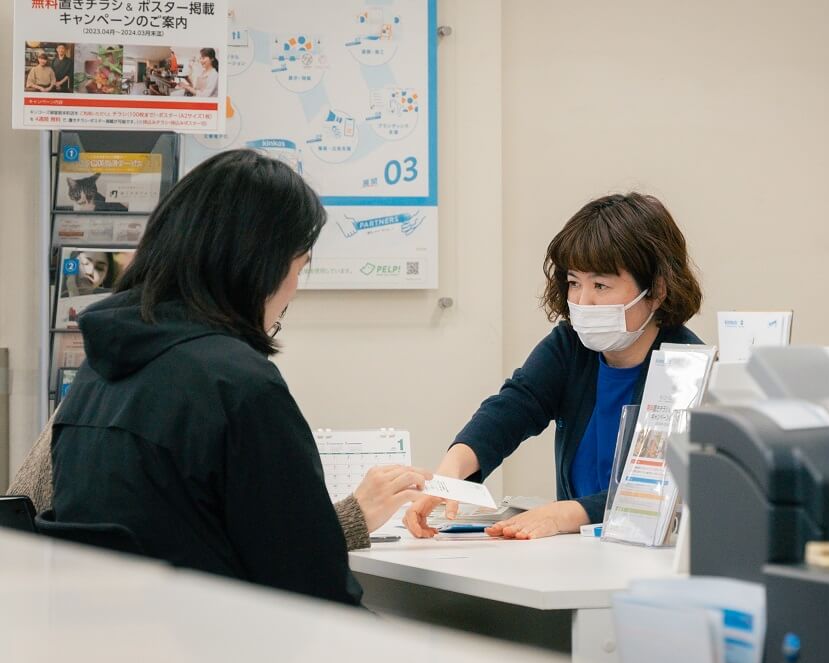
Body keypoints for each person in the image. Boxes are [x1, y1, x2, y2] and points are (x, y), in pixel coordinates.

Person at [50, 149, 429, 606]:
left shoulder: (96, 374)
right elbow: (315, 588)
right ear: (261, 264)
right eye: (299, 268)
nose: (293, 291)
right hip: (226, 652)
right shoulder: (239, 387)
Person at [405, 193, 704, 540]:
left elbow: (659, 491)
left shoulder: (685, 364)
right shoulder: (570, 346)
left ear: (657, 289)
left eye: (601, 285)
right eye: (574, 283)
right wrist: (451, 473)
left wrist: (566, 514)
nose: (582, 301)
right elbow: (514, 407)